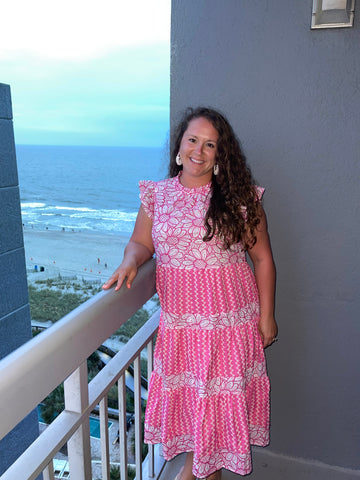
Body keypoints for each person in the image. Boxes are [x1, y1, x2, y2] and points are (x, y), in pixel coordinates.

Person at [103, 107, 277, 480]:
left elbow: (262, 258)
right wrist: (130, 261)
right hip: (182, 330)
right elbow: (140, 241)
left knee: (205, 441)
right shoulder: (157, 196)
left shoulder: (240, 198)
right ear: (180, 146)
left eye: (210, 144)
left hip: (228, 328)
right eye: (193, 140)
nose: (199, 151)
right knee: (201, 437)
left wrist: (267, 316)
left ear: (220, 154)